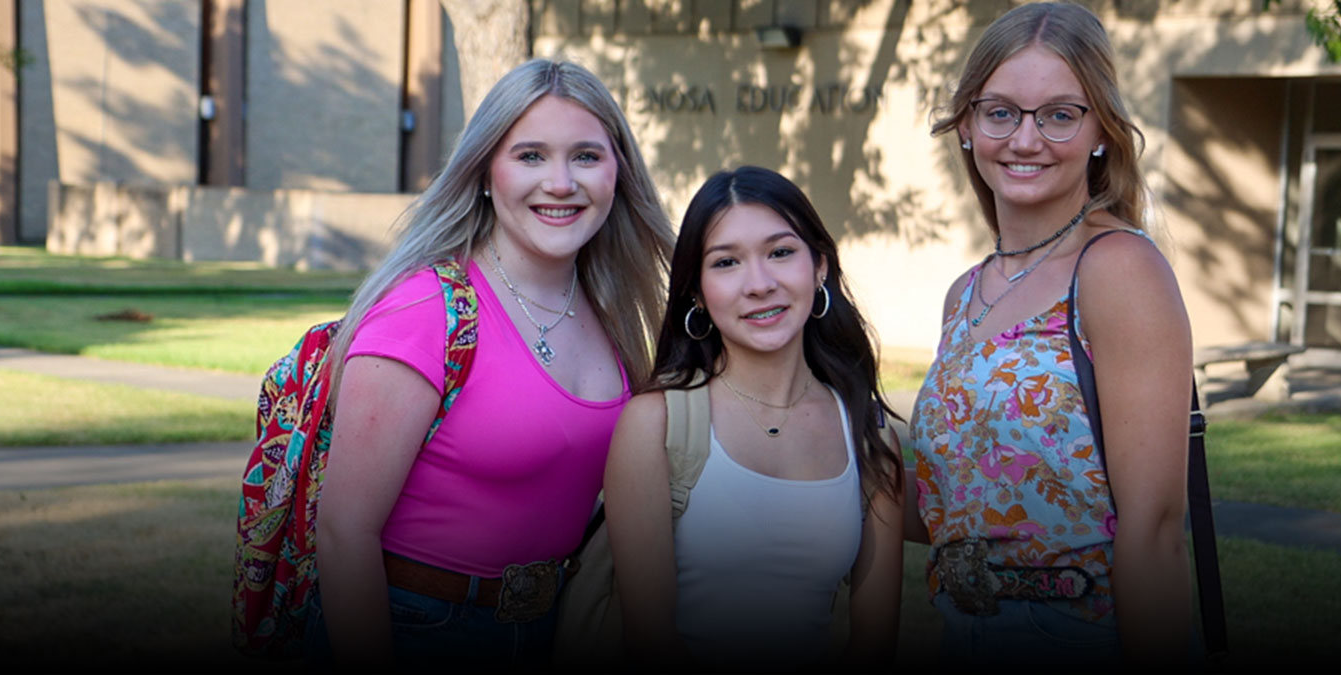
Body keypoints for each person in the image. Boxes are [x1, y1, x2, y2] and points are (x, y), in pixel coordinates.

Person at [308, 59, 673, 671]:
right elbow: (344, 535)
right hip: (415, 625)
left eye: (586, 156)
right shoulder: (425, 311)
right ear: (484, 173)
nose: (560, 182)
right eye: (530, 155)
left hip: (551, 625)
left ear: (619, 173)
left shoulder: (616, 313)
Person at [906, 1, 1195, 669]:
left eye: (1060, 114)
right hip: (960, 629)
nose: (1025, 139)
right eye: (1000, 111)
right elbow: (945, 507)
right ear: (969, 127)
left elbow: (1153, 532)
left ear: (1101, 131)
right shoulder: (966, 293)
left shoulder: (1119, 269)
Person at [602, 166, 904, 672]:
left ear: (820, 267)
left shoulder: (869, 435)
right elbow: (648, 638)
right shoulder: (656, 424)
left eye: (781, 253)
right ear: (696, 291)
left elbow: (875, 643)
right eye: (726, 263)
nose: (760, 284)